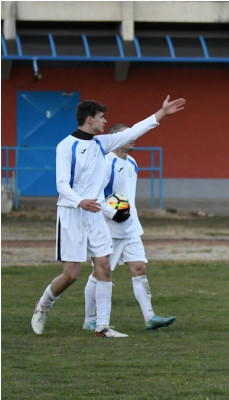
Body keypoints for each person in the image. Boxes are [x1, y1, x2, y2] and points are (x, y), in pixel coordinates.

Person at [31, 95, 186, 338]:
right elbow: (61, 185)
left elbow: (136, 130)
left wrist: (162, 113)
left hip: (94, 216)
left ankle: (102, 327)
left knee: (103, 267)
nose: (105, 121)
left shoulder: (102, 143)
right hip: (71, 214)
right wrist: (80, 201)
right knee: (71, 275)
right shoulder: (65, 146)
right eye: (102, 118)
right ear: (90, 119)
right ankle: (43, 305)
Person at [82, 124, 176, 332]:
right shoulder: (105, 163)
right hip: (109, 230)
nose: (134, 138)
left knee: (139, 268)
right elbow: (96, 195)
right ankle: (90, 320)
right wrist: (113, 212)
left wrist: (127, 214)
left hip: (131, 229)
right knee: (99, 274)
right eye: (128, 135)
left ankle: (150, 317)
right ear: (115, 140)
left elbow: (125, 197)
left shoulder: (132, 163)